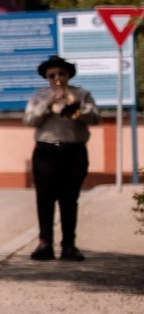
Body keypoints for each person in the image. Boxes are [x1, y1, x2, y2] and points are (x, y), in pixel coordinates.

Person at [25, 55, 99, 261]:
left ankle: (69, 245)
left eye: (61, 74)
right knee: (45, 199)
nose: (57, 78)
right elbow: (29, 120)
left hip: (73, 152)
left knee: (69, 199)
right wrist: (48, 103)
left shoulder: (82, 94)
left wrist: (78, 108)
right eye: (52, 75)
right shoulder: (39, 96)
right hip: (46, 151)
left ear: (68, 75)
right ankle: (45, 244)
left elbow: (96, 119)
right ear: (46, 77)